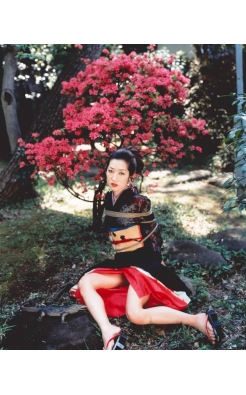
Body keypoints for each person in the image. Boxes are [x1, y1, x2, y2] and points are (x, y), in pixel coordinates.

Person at [70, 146, 222, 350]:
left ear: (131, 176)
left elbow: (154, 235)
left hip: (143, 264)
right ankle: (108, 330)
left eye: (121, 173)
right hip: (123, 263)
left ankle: (197, 320)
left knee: (136, 315)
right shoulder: (108, 198)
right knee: (86, 282)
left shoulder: (140, 202)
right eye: (110, 170)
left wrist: (157, 265)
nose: (114, 177)